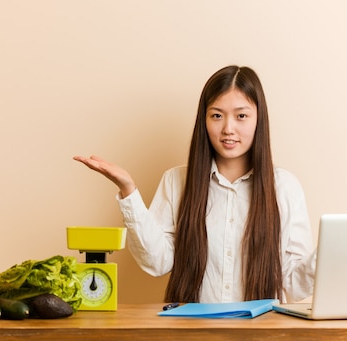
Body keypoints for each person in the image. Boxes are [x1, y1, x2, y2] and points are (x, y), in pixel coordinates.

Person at [74, 65, 315, 304]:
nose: (228, 129)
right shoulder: (176, 181)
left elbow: (293, 286)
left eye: (241, 116)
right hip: (192, 331)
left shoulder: (285, 187)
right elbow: (158, 262)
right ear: (204, 120)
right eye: (217, 115)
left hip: (261, 333)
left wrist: (332, 257)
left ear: (258, 119)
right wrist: (128, 190)